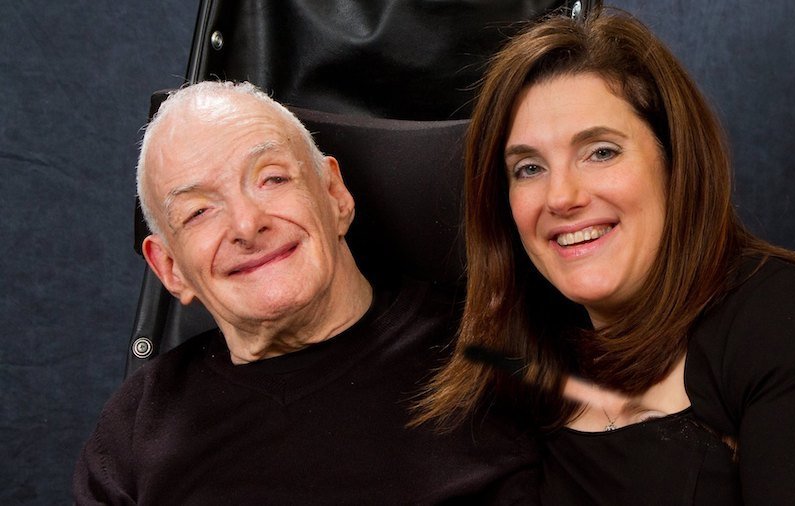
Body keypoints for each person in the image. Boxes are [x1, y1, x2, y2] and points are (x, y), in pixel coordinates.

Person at [415, 6, 795, 505]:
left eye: (601, 151)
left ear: (676, 162)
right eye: (529, 167)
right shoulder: (515, 365)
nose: (561, 197)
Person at [73, 81, 539, 504]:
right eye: (198, 212)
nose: (246, 224)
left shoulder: (501, 355)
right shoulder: (136, 428)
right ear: (170, 268)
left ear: (335, 195)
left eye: (272, 179)